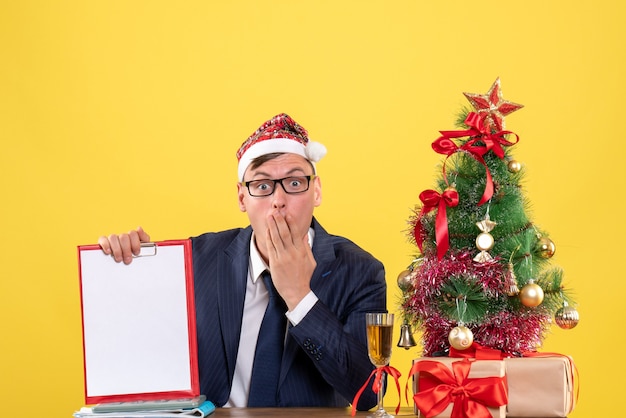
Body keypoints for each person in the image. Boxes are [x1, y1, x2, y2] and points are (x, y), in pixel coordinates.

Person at [97, 113, 387, 409]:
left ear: (317, 191)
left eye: (295, 182)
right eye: (262, 186)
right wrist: (133, 272)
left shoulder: (360, 272)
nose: (278, 200)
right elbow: (147, 354)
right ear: (241, 198)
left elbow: (369, 392)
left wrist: (299, 297)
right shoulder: (195, 261)